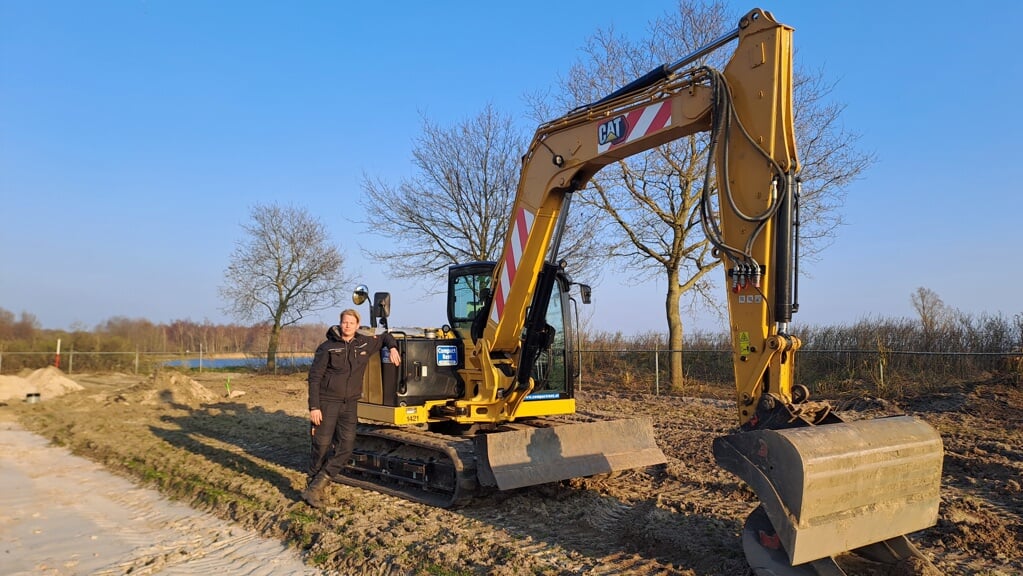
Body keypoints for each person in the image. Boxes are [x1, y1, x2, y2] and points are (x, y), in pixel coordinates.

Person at [302, 308, 401, 508]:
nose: (347, 326)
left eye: (351, 323)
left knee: (345, 449)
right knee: (321, 445)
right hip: (327, 402)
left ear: (357, 325)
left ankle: (317, 485)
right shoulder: (327, 347)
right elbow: (314, 378)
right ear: (340, 323)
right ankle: (312, 485)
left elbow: (385, 337)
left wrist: (392, 348)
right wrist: (314, 406)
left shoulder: (363, 343)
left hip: (350, 404)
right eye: (344, 322)